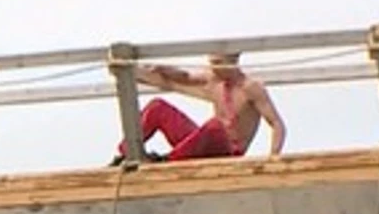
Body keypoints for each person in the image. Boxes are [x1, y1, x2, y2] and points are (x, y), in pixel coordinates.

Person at [109, 51, 287, 165]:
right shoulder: (213, 79)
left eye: (217, 63)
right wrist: (165, 69)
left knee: (216, 126)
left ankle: (167, 161)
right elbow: (185, 77)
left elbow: (277, 124)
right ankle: (127, 153)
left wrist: (273, 158)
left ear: (233, 61)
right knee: (158, 107)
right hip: (201, 146)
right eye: (211, 62)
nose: (213, 68)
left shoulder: (251, 87)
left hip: (228, 151)